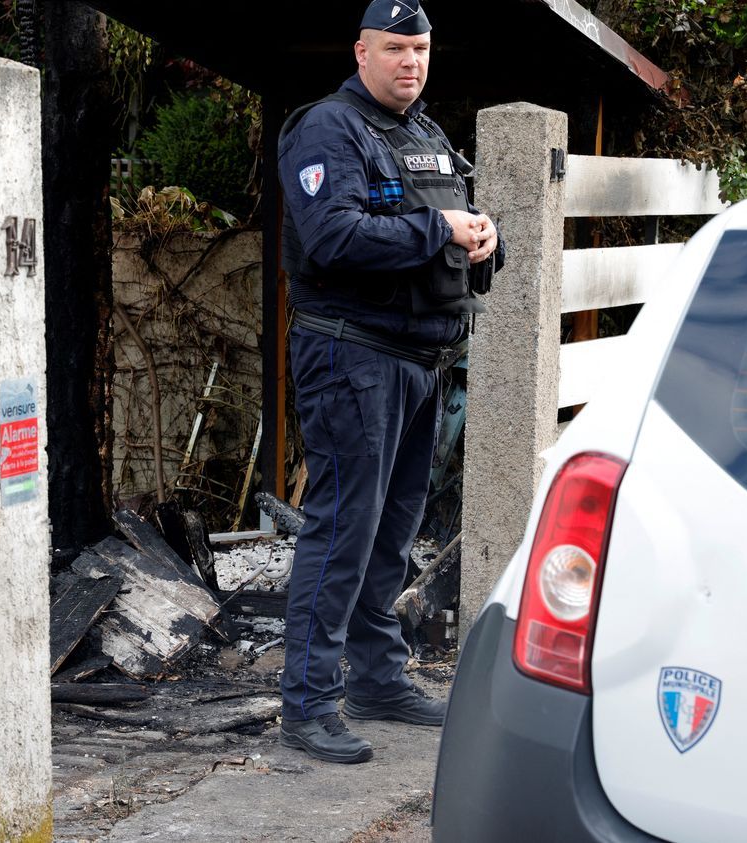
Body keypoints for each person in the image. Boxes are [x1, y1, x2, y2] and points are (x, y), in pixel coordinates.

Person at [276, 0, 504, 764]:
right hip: (353, 357)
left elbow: (451, 233)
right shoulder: (327, 129)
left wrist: (480, 237)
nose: (411, 62)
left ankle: (377, 677)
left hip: (421, 361)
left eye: (421, 50)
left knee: (392, 535)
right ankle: (307, 704)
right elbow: (333, 237)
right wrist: (438, 231)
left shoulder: (427, 136)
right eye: (396, 49)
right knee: (342, 527)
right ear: (362, 52)